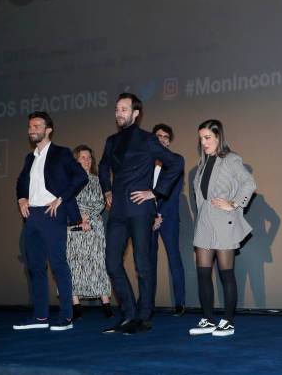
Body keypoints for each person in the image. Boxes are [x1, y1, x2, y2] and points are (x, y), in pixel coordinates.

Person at [99, 93, 184, 335]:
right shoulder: (111, 141)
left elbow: (176, 162)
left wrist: (155, 193)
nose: (119, 113)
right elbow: (104, 165)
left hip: (140, 210)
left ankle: (144, 317)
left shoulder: (147, 140)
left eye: (124, 109)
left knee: (143, 265)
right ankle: (128, 314)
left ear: (136, 114)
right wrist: (107, 190)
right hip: (117, 212)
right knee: (112, 263)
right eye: (117, 109)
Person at [14, 111, 88, 331]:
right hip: (32, 216)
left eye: (36, 126)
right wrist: (21, 198)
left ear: (48, 130)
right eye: (30, 126)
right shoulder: (30, 157)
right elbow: (20, 182)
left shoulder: (61, 153)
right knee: (35, 267)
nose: (32, 130)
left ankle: (66, 317)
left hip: (52, 213)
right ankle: (40, 318)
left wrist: (62, 199)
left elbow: (81, 177)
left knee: (58, 265)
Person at [188, 119, 256, 337]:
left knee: (226, 274)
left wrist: (234, 204)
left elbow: (249, 184)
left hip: (224, 223)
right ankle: (208, 319)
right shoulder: (201, 165)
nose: (204, 142)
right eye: (201, 138)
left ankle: (228, 320)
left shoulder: (231, 159)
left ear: (218, 137)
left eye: (207, 138)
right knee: (203, 274)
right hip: (205, 223)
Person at [67, 145, 113, 320]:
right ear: (76, 160)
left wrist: (88, 215)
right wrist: (80, 216)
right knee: (75, 264)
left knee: (98, 263)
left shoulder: (98, 180)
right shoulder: (69, 181)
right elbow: (67, 200)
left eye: (89, 157)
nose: (87, 160)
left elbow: (102, 202)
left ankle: (106, 304)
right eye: (83, 157)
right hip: (75, 226)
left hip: (94, 226)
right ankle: (76, 305)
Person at [150, 123, 186, 316]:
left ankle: (180, 303)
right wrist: (150, 215)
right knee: (148, 262)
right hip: (147, 219)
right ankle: (148, 304)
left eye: (165, 136)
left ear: (169, 141)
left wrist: (160, 215)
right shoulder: (145, 164)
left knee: (174, 259)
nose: (162, 139)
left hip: (168, 217)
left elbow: (173, 193)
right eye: (158, 136)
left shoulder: (175, 162)